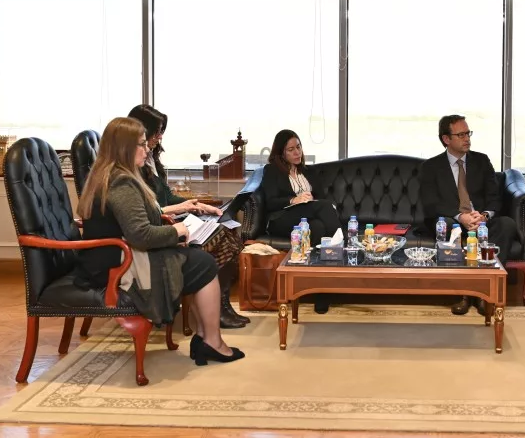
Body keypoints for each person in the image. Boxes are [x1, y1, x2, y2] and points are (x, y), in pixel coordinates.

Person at [74, 117, 244, 365]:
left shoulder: (111, 175)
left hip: (115, 258)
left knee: (198, 259)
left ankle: (206, 338)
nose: (147, 149)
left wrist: (175, 229)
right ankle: (211, 341)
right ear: (125, 148)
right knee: (204, 263)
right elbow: (140, 235)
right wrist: (177, 232)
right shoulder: (121, 182)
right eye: (142, 144)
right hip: (119, 266)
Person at [127, 104, 249, 329]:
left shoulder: (151, 159)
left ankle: (221, 304)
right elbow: (149, 211)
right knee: (223, 238)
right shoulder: (132, 169)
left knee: (230, 232)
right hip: (163, 226)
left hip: (170, 220)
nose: (160, 137)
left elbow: (166, 197)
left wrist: (196, 205)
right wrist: (182, 207)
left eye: (161, 131)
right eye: (157, 131)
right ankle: (216, 306)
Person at [419, 115, 520, 315]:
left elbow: (494, 197)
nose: (467, 139)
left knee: (506, 224)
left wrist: (484, 216)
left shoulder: (481, 161)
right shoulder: (430, 167)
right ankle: (463, 294)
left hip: (480, 220)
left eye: (468, 133)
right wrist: (460, 217)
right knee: (449, 227)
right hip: (452, 220)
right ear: (446, 139)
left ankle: (485, 293)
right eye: (461, 135)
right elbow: (431, 203)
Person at [262, 129, 341, 314]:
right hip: (282, 218)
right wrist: (294, 200)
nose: (297, 152)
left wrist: (311, 200)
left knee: (318, 227)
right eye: (291, 150)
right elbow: (270, 202)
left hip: (307, 218)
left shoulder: (308, 172)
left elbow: (321, 198)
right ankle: (343, 245)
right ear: (281, 152)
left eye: (298, 147)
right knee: (325, 208)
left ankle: (321, 293)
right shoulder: (271, 170)